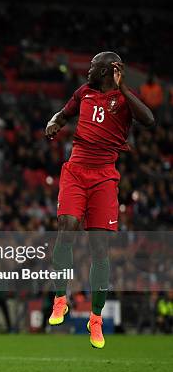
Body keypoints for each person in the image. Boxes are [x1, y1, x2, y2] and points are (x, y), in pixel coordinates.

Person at [45, 52, 154, 349]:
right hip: (76, 169)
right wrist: (54, 123)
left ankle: (96, 319)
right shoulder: (84, 92)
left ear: (110, 70)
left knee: (99, 248)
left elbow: (148, 119)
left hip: (105, 176)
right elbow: (63, 114)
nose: (89, 69)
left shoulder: (125, 99)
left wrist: (123, 89)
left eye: (94, 66)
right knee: (66, 227)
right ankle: (60, 298)